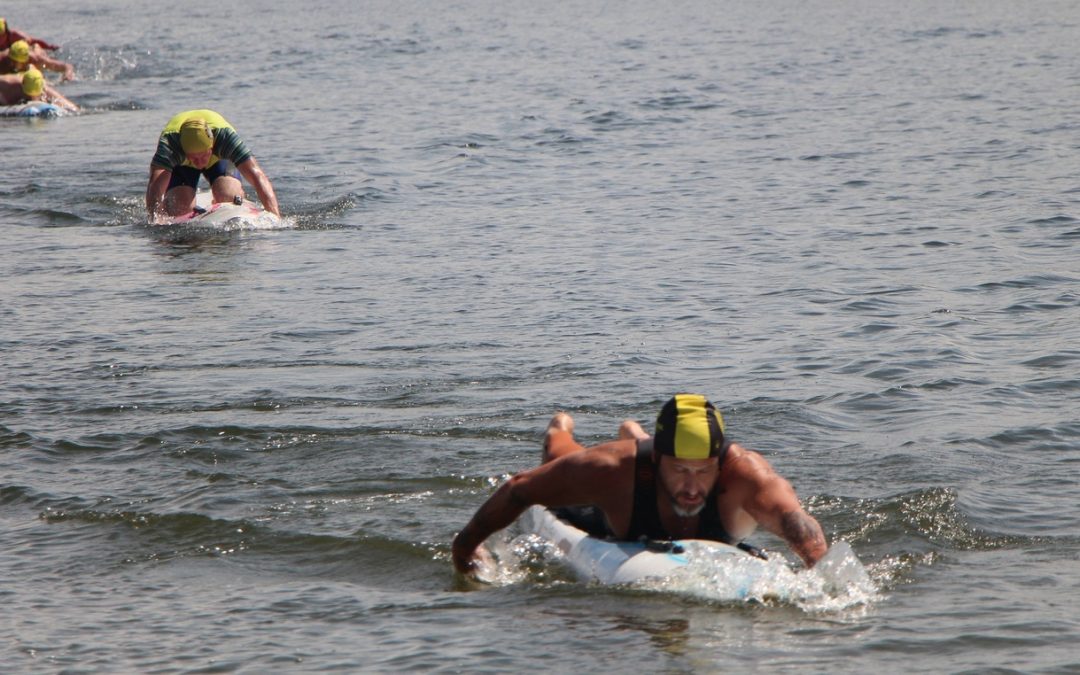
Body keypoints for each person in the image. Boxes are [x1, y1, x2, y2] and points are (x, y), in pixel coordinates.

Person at [452, 393, 829, 576]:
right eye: (680, 470)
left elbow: (795, 522)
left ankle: (634, 431)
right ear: (656, 457)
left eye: (704, 470)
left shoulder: (747, 475)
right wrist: (465, 548)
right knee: (557, 454)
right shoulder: (616, 469)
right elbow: (520, 489)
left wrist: (822, 575)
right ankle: (561, 427)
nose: (693, 486)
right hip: (613, 517)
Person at [145, 109, 280, 220]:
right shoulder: (170, 146)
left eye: (203, 156)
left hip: (217, 160)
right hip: (183, 165)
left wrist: (275, 217)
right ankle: (181, 195)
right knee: (178, 208)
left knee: (227, 195)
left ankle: (235, 192)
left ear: (212, 146)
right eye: (194, 158)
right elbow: (155, 186)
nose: (200, 163)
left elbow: (257, 176)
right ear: (184, 151)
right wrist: (157, 220)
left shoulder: (225, 139)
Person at [0, 67, 79, 112]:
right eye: (28, 93)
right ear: (22, 84)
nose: (31, 98)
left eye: (34, 94)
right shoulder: (6, 85)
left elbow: (73, 108)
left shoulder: (45, 89)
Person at [0, 39, 75, 81]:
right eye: (11, 60)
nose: (11, 63)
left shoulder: (36, 60)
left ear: (25, 61)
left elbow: (67, 66)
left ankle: (37, 47)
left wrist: (67, 75)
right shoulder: (2, 59)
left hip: (37, 53)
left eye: (15, 62)